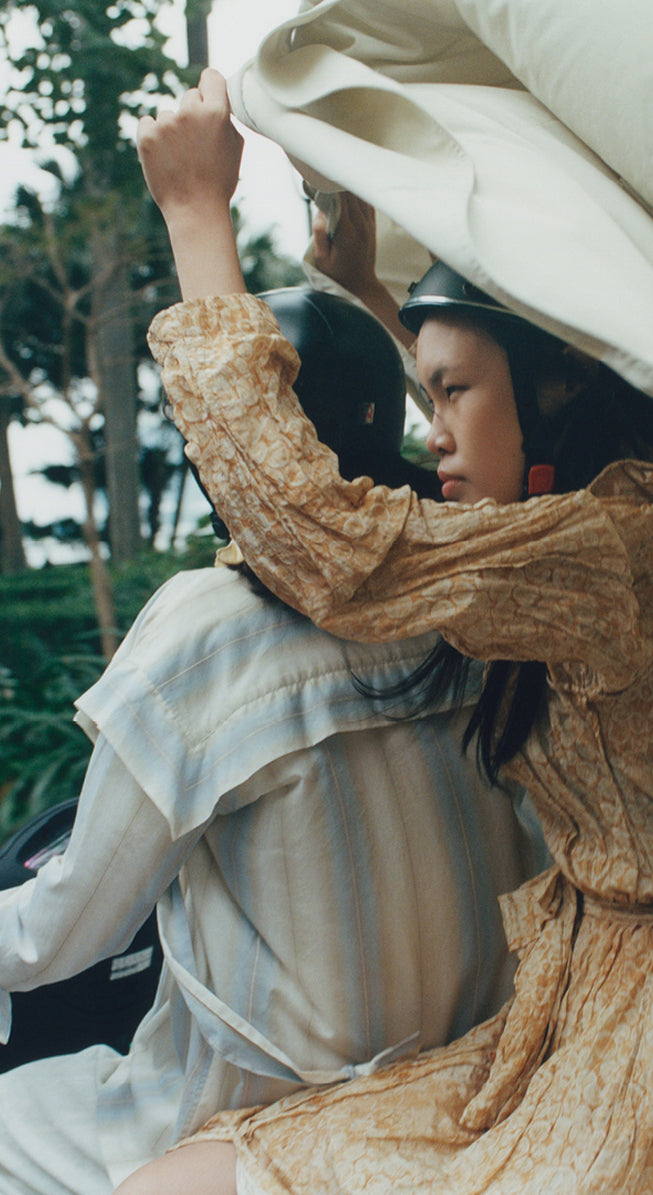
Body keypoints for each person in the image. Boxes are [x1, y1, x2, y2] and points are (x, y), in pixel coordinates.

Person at [125, 68, 653, 1194]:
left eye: (452, 391)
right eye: (429, 395)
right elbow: (482, 471)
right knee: (202, 1171)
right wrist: (376, 293)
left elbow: (325, 542)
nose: (437, 438)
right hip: (587, 1008)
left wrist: (195, 218)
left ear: (558, 386)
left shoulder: (623, 552)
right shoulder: (648, 515)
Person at [0, 279, 542, 1194]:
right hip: (465, 1088)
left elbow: (59, 937)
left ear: (245, 436)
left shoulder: (206, 629)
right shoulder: (468, 593)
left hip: (254, 1122)